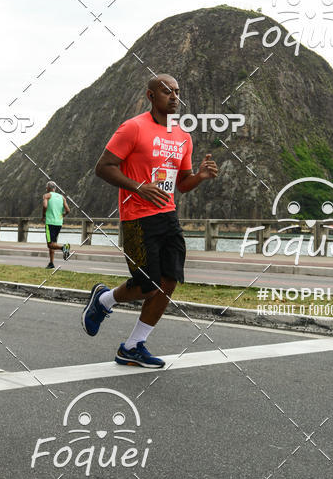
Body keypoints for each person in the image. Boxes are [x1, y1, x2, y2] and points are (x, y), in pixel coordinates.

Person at [82, 74, 218, 367]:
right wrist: (138, 186)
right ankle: (104, 301)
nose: (174, 97)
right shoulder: (133, 128)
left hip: (168, 216)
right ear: (150, 95)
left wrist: (200, 177)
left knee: (169, 281)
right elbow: (103, 167)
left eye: (177, 92)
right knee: (147, 284)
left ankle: (132, 346)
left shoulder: (183, 136)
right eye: (167, 91)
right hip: (136, 218)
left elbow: (182, 183)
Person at [42, 181, 71, 268]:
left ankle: (64, 248)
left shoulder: (47, 196)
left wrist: (43, 215)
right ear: (55, 188)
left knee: (50, 244)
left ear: (48, 188)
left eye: (46, 187)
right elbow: (68, 210)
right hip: (59, 223)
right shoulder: (62, 197)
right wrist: (62, 215)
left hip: (50, 222)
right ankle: (51, 263)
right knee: (53, 243)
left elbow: (45, 206)